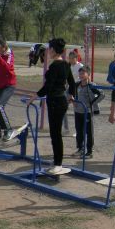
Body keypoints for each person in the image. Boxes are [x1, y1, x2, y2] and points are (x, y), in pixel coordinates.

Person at [27, 38, 76, 175]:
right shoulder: (66, 64)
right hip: (61, 101)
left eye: (50, 49)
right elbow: (72, 83)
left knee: (55, 135)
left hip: (55, 102)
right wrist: (71, 95)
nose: (48, 51)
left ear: (53, 50)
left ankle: (58, 164)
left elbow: (48, 87)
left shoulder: (55, 66)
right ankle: (57, 161)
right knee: (56, 134)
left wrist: (34, 96)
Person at [72, 66, 104, 158]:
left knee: (89, 132)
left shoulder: (91, 86)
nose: (81, 75)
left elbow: (102, 94)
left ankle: (89, 151)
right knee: (79, 131)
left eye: (83, 73)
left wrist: (92, 103)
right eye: (80, 73)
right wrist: (72, 100)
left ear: (88, 74)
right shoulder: (76, 85)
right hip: (77, 111)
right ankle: (80, 149)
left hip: (87, 112)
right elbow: (69, 92)